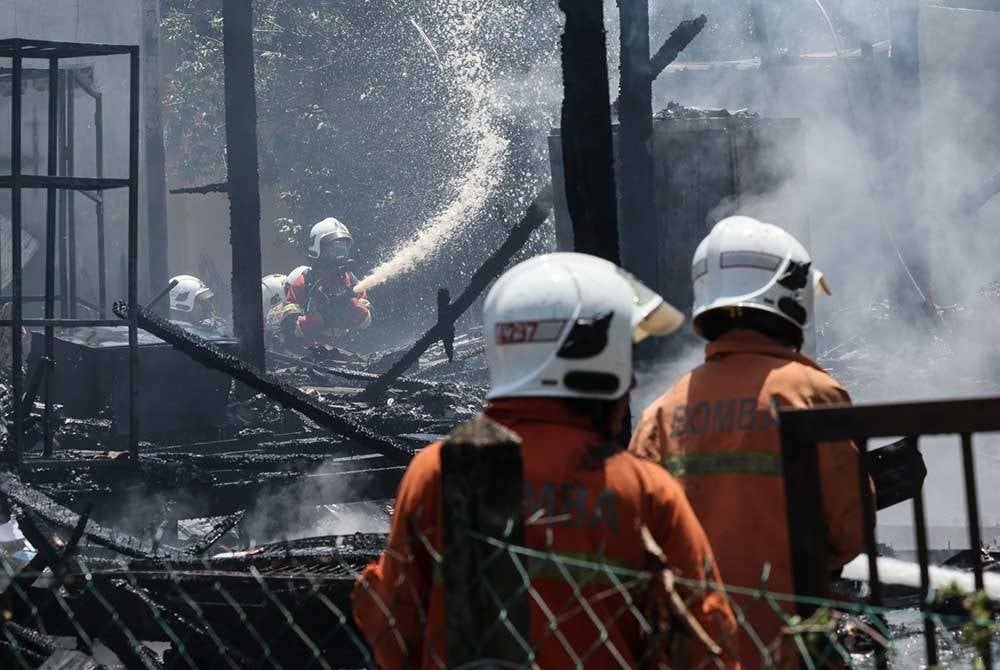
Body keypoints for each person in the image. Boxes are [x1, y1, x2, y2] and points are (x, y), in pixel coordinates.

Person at [353, 252, 739, 669]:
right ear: (598, 367)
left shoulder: (435, 473)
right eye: (621, 360)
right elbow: (706, 642)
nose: (630, 381)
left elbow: (394, 635)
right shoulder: (644, 490)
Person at [629, 216, 871, 669]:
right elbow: (851, 528)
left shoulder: (661, 412)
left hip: (691, 652)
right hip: (790, 648)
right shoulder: (814, 394)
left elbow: (635, 540)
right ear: (793, 295)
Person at [277, 218, 372, 352]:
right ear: (317, 249)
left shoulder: (351, 280)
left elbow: (367, 322)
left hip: (345, 353)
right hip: (309, 355)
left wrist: (352, 305)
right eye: (334, 250)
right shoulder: (304, 282)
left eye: (343, 249)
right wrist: (320, 317)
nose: (340, 255)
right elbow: (289, 326)